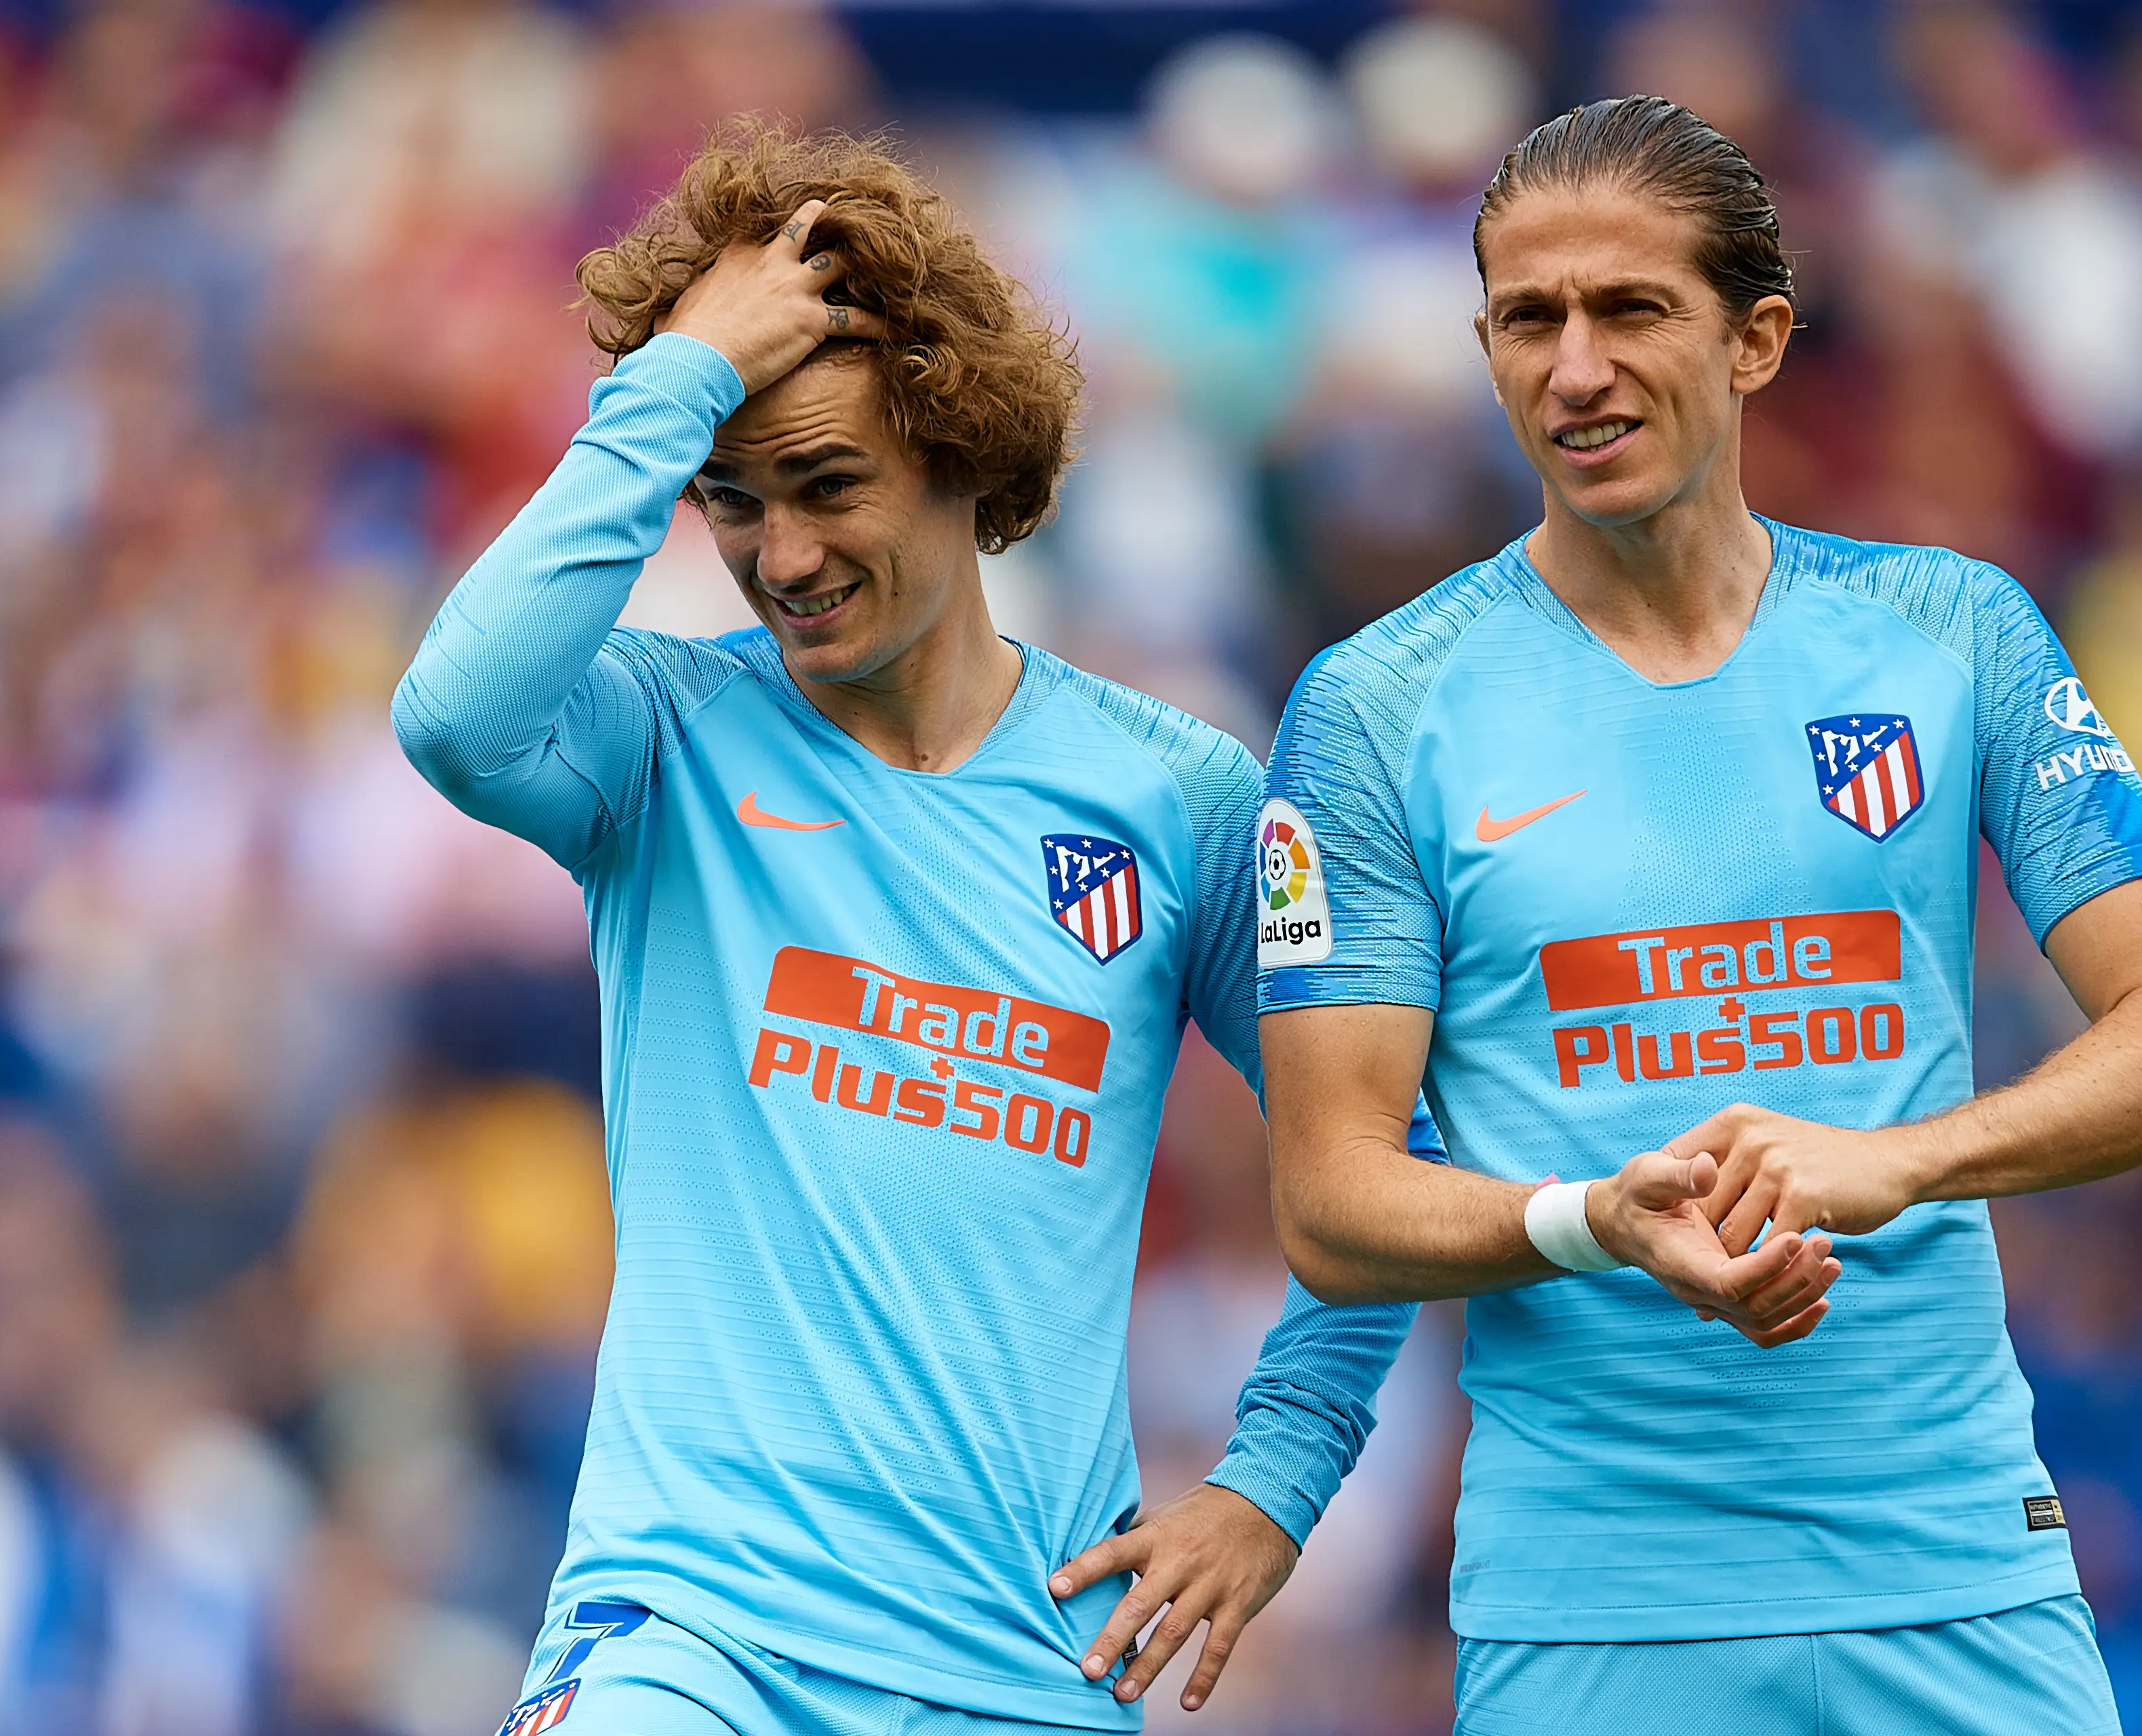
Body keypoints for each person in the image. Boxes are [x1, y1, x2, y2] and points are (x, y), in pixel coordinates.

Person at [1256, 96, 2142, 1733]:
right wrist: (1592, 1216)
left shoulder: (1949, 630)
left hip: (1952, 1573)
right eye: (1529, 320)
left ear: (1759, 341)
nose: (1574, 367)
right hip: (1598, 1611)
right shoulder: (1378, 705)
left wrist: (1907, 1155)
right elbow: (1330, 1194)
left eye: (1631, 309)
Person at [394, 124, 1416, 1733]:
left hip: (1024, 1671)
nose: (781, 557)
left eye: (828, 485)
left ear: (956, 444)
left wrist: (1273, 1482)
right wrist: (673, 385)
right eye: (732, 501)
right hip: (693, 1637)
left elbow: (1376, 1159)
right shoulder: (663, 741)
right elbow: (454, 713)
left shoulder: (1181, 795)